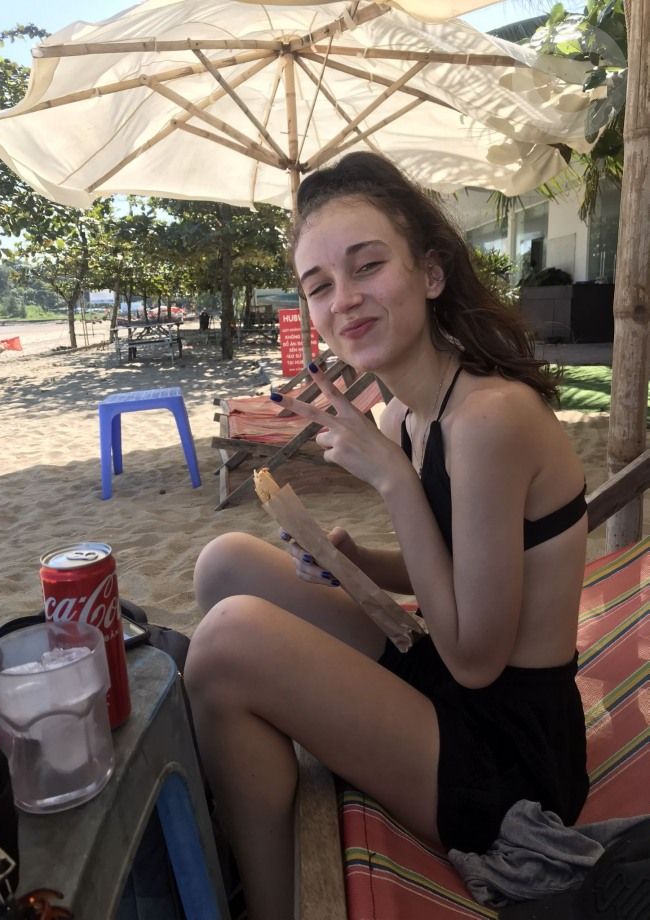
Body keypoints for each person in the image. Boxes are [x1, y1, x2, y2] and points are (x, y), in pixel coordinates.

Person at [184, 152, 589, 920]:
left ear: (431, 273)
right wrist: (359, 561)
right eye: (318, 285)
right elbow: (465, 567)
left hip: (513, 756)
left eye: (367, 266)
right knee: (224, 564)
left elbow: (476, 660)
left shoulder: (489, 419)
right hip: (453, 681)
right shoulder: (405, 413)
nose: (343, 300)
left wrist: (394, 482)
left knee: (228, 642)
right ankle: (254, 823)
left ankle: (270, 903)